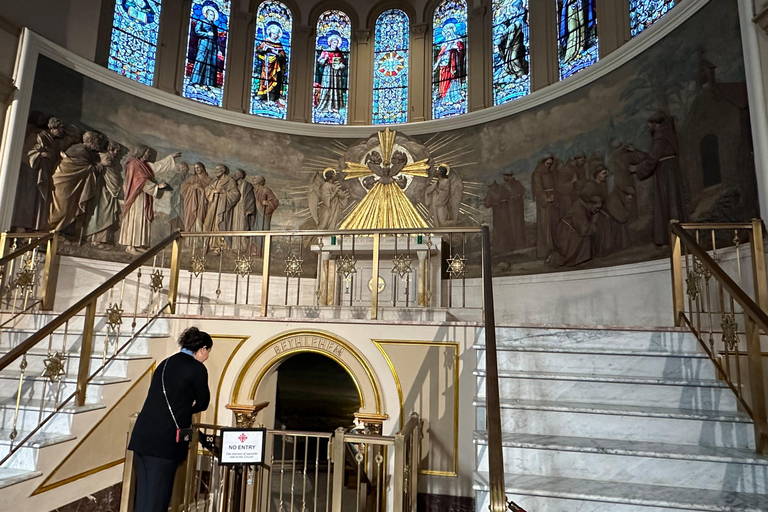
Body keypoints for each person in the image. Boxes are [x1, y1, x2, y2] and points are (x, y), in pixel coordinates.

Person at [128, 327, 212, 512]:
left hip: (142, 436)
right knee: (157, 499)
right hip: (164, 441)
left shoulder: (165, 363)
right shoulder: (196, 368)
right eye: (208, 352)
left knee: (143, 496)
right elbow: (203, 402)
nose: (207, 356)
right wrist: (191, 405)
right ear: (202, 349)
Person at [119, 146, 174, 255]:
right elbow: (139, 180)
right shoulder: (134, 163)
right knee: (135, 219)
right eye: (147, 152)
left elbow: (158, 166)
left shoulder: (144, 165)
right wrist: (157, 187)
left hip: (143, 196)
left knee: (141, 219)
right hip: (135, 196)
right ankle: (130, 246)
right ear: (141, 152)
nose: (148, 155)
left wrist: (170, 158)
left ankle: (138, 244)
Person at [48, 131, 105, 233]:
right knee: (62, 210)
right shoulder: (80, 150)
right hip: (64, 182)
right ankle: (46, 231)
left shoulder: (85, 151)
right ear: (91, 141)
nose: (99, 143)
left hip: (70, 185)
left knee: (68, 210)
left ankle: (56, 233)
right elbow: (83, 169)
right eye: (98, 141)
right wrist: (101, 165)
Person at [85, 141, 123, 248]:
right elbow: (113, 179)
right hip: (105, 190)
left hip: (102, 189)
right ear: (111, 149)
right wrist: (118, 188)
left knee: (99, 213)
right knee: (103, 214)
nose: (118, 154)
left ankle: (95, 239)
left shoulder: (101, 157)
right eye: (117, 151)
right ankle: (97, 240)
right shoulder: (107, 159)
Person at [484, 172, 526, 254]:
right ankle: (511, 246)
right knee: (507, 228)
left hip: (498, 212)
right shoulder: (503, 187)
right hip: (506, 210)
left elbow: (487, 204)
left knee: (500, 229)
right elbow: (510, 195)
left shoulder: (491, 192)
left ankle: (501, 248)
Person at [202, 164, 241, 253]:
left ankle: (218, 246)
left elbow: (236, 194)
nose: (216, 171)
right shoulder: (215, 181)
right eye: (215, 170)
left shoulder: (230, 180)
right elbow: (208, 189)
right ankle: (209, 244)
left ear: (223, 170)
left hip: (222, 206)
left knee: (218, 225)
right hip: (213, 206)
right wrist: (212, 191)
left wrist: (223, 192)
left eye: (218, 169)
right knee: (208, 224)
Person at [254, 23, 288, 105]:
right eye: (273, 34)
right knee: (263, 78)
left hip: (275, 65)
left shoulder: (279, 44)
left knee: (274, 80)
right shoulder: (266, 41)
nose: (274, 36)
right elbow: (259, 50)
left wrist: (277, 54)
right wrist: (264, 50)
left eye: (276, 34)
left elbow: (283, 55)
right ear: (270, 33)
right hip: (266, 63)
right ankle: (262, 94)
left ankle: (272, 97)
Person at [434, 22, 466, 108]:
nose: (447, 34)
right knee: (445, 80)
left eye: (448, 32)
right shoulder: (444, 44)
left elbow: (461, 49)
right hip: (445, 64)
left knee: (454, 79)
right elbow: (440, 54)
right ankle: (446, 99)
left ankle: (456, 96)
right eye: (446, 33)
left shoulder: (457, 40)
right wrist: (437, 64)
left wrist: (455, 47)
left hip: (454, 62)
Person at [531, 156, 557, 258]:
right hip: (544, 204)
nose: (549, 166)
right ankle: (546, 250)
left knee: (553, 223)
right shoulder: (537, 174)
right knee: (545, 225)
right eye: (547, 164)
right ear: (542, 163)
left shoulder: (549, 173)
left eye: (551, 164)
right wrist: (546, 198)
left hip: (552, 201)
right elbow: (538, 188)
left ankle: (553, 248)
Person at [315, 33, 348, 113]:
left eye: (336, 43)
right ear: (330, 43)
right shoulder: (325, 52)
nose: (335, 44)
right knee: (327, 87)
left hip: (336, 72)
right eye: (333, 42)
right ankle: (325, 105)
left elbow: (344, 63)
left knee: (336, 88)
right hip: (328, 70)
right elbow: (319, 62)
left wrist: (339, 66)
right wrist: (325, 59)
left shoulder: (339, 53)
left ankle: (336, 106)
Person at [190, 5, 221, 88]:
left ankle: (208, 84)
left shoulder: (215, 27)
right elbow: (197, 31)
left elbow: (216, 39)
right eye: (211, 15)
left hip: (213, 46)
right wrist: (207, 34)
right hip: (204, 44)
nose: (212, 17)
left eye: (213, 15)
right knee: (201, 61)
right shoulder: (202, 21)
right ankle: (196, 81)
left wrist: (219, 50)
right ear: (206, 15)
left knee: (211, 64)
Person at [181, 162, 213, 234]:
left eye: (198, 167)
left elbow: (211, 192)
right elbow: (183, 188)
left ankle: (201, 240)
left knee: (201, 221)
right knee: (191, 221)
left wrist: (202, 189)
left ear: (202, 168)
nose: (197, 169)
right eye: (195, 168)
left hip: (203, 204)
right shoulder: (192, 178)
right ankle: (191, 240)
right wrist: (192, 187)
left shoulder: (209, 180)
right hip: (192, 204)